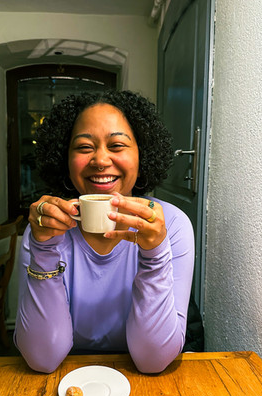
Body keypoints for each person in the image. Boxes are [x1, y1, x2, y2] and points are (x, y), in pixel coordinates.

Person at [14, 90, 194, 374]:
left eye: (117, 145)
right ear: (65, 158)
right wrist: (44, 249)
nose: (100, 159)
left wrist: (154, 254)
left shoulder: (171, 225)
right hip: (67, 373)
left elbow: (153, 359)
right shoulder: (45, 229)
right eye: (84, 147)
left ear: (141, 154)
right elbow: (43, 358)